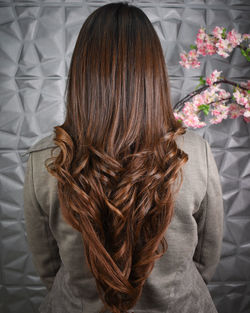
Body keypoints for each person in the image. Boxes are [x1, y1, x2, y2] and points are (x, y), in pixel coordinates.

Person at [22, 2, 224, 313]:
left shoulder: (44, 158)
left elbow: (48, 265)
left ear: (82, 73)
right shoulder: (195, 153)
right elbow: (205, 259)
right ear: (153, 73)